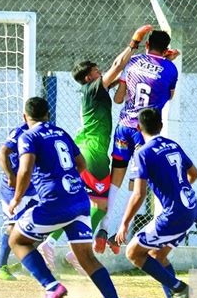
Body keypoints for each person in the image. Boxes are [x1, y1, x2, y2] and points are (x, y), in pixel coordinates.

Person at [37, 24, 153, 273]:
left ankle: (59, 246)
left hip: (87, 148)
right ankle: (65, 249)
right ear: (90, 77)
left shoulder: (92, 91)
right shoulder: (92, 88)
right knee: (100, 205)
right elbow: (118, 66)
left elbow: (117, 70)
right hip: (93, 153)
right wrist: (134, 42)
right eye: (96, 71)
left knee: (84, 204)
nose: (101, 72)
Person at [8, 97, 127, 298]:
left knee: (18, 240)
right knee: (86, 257)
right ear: (48, 115)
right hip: (80, 200)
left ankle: (51, 286)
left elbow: (25, 170)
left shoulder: (28, 136)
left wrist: (16, 198)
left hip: (55, 201)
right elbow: (81, 164)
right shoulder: (60, 132)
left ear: (26, 117)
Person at [94, 30, 180, 254]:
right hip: (146, 132)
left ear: (148, 44)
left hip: (124, 127)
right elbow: (169, 96)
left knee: (116, 178)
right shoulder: (171, 69)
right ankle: (119, 234)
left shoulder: (133, 61)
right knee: (138, 185)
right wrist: (165, 65)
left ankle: (103, 228)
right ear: (166, 48)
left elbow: (119, 98)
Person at [115, 108, 197, 298]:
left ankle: (180, 289)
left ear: (138, 128)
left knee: (133, 253)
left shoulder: (143, 153)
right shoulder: (172, 145)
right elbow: (194, 174)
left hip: (175, 214)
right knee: (157, 256)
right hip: (191, 208)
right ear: (161, 126)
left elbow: (139, 194)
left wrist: (124, 224)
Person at [0, 122, 39, 280]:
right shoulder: (20, 132)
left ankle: (29, 264)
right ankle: (0, 265)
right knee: (13, 227)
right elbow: (2, 153)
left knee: (39, 226)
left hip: (33, 188)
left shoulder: (45, 132)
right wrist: (11, 176)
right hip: (13, 189)